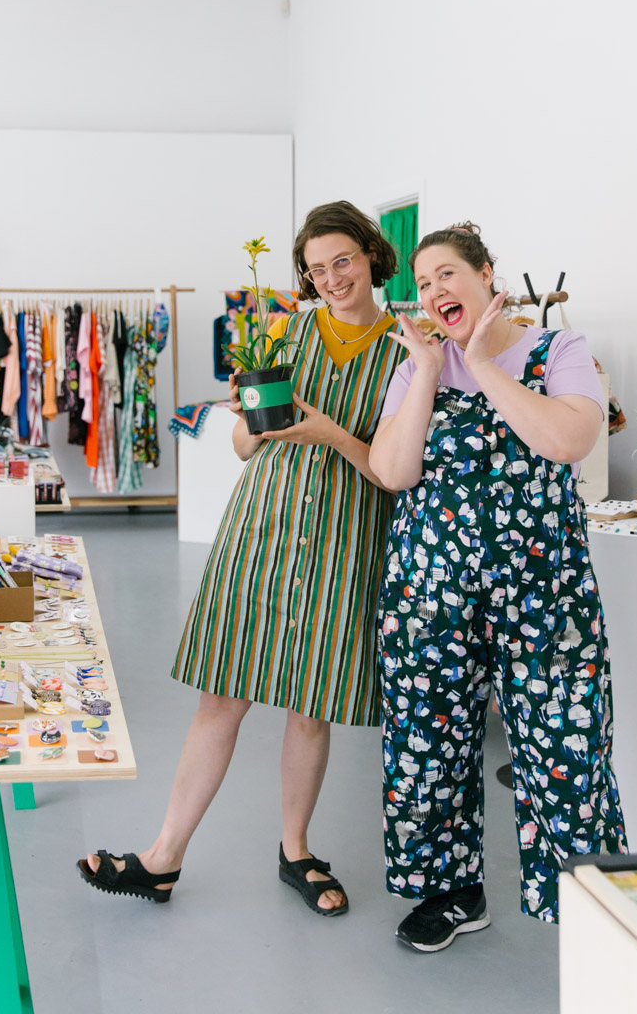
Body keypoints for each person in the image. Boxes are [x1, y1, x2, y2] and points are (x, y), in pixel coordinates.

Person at [78, 200, 403, 915]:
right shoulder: (284, 331)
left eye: (342, 260)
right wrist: (250, 425)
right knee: (222, 697)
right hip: (261, 527)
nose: (332, 278)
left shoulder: (406, 351)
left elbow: (391, 470)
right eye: (317, 269)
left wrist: (326, 433)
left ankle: (297, 851)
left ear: (372, 255)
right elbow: (241, 445)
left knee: (310, 707)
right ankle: (163, 858)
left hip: (349, 538)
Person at [368, 223, 627, 952]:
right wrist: (427, 371)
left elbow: (568, 440)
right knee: (427, 745)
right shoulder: (418, 363)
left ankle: (589, 905)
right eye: (422, 283)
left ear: (487, 276)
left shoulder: (556, 351)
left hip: (546, 596)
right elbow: (394, 472)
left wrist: (482, 365)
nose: (434, 291)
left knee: (567, 750)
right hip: (429, 595)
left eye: (447, 273)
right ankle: (453, 894)